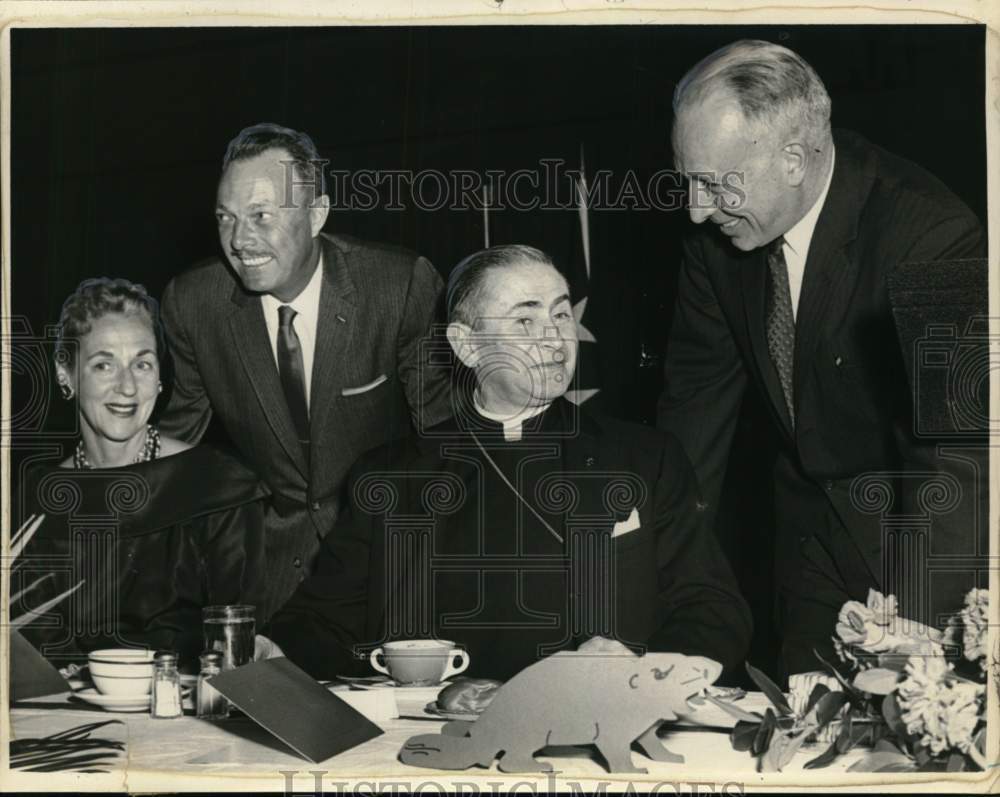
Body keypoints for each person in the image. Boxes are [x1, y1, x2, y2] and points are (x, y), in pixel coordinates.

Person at [266, 245, 752, 682]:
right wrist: (265, 649)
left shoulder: (646, 458)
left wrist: (644, 668)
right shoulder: (392, 475)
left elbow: (711, 609)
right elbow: (322, 621)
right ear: (466, 345)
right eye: (525, 321)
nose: (556, 340)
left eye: (561, 315)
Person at [658, 39, 987, 678]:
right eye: (686, 181)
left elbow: (960, 451)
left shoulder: (933, 235)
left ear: (790, 160)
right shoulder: (715, 241)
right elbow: (693, 416)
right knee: (798, 730)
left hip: (920, 535)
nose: (696, 210)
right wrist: (655, 573)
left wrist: (917, 632)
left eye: (713, 185)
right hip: (807, 544)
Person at [158, 123, 452, 620]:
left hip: (388, 568)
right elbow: (174, 445)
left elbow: (446, 445)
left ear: (317, 214)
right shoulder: (192, 303)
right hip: (264, 582)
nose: (239, 240)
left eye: (261, 216)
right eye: (225, 218)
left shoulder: (399, 287)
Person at [17, 278, 271, 665]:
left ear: (159, 377)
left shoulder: (217, 485)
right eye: (103, 364)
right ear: (65, 374)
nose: (127, 386)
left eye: (142, 363)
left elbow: (237, 646)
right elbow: (31, 658)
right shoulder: (33, 502)